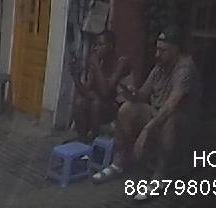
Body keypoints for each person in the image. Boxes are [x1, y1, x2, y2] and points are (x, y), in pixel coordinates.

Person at [92, 28, 200, 195]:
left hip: (179, 119)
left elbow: (172, 104)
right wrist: (132, 93)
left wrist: (147, 129)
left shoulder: (185, 68)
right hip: (156, 112)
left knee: (170, 119)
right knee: (126, 109)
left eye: (163, 50)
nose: (157, 54)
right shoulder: (160, 66)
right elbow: (143, 94)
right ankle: (118, 164)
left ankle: (159, 177)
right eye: (157, 49)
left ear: (175, 50)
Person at [71, 30, 132, 142]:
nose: (96, 48)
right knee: (79, 102)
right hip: (102, 103)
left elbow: (106, 92)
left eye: (100, 45)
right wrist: (75, 77)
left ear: (111, 46)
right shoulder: (99, 62)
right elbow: (86, 90)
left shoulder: (121, 63)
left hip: (119, 108)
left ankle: (95, 140)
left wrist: (95, 65)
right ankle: (82, 140)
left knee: (96, 104)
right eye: (95, 45)